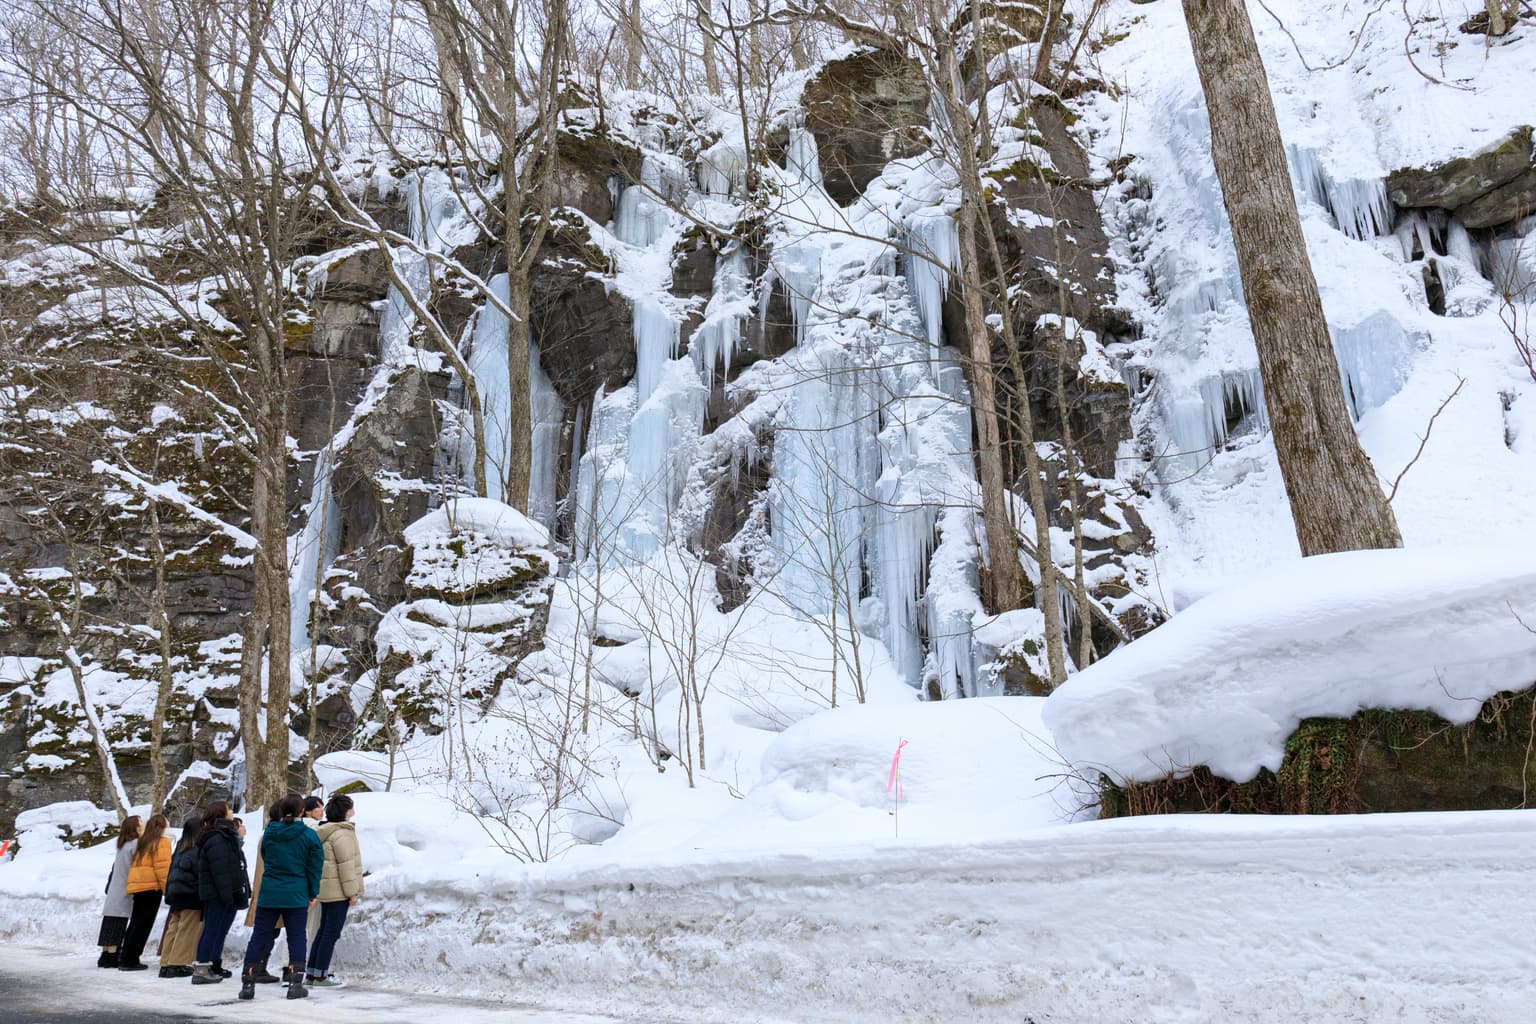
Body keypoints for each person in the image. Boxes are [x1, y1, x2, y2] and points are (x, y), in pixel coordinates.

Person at [238, 793, 323, 1001]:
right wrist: (312, 892)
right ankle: (295, 983)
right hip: (296, 892)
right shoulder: (309, 836)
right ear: (302, 811)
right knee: (296, 936)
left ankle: (248, 983)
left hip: (270, 892)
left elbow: (266, 857)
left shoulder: (270, 833)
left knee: (260, 935)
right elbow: (314, 867)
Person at [307, 795, 362, 988]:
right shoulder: (342, 833)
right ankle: (321, 976)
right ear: (346, 811)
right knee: (330, 933)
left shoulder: (325, 831)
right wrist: (352, 892)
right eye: (352, 808)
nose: (354, 811)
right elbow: (346, 866)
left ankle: (312, 973)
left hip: (326, 889)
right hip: (338, 891)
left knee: (323, 932)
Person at [192, 801, 250, 985]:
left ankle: (213, 964)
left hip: (225, 892)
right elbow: (221, 870)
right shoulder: (217, 838)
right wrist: (228, 895)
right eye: (229, 810)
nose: (232, 812)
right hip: (219, 893)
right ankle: (202, 967)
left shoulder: (225, 835)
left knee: (219, 930)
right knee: (212, 930)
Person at [119, 813, 171, 971]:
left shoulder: (143, 841)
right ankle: (131, 959)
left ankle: (126, 956)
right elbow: (162, 868)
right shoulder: (161, 842)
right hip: (151, 888)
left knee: (135, 923)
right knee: (143, 925)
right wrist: (167, 889)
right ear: (162, 826)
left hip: (139, 887)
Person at [156, 814, 203, 978]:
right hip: (190, 893)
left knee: (173, 927)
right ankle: (177, 963)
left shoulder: (180, 847)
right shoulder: (197, 849)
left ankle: (165, 961)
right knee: (186, 929)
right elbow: (199, 872)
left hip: (175, 892)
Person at [97, 815, 142, 968]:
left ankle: (105, 955)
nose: (143, 825)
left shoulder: (123, 844)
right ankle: (113, 956)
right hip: (124, 887)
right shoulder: (135, 844)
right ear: (135, 827)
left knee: (109, 922)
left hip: (114, 888)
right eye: (141, 823)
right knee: (118, 923)